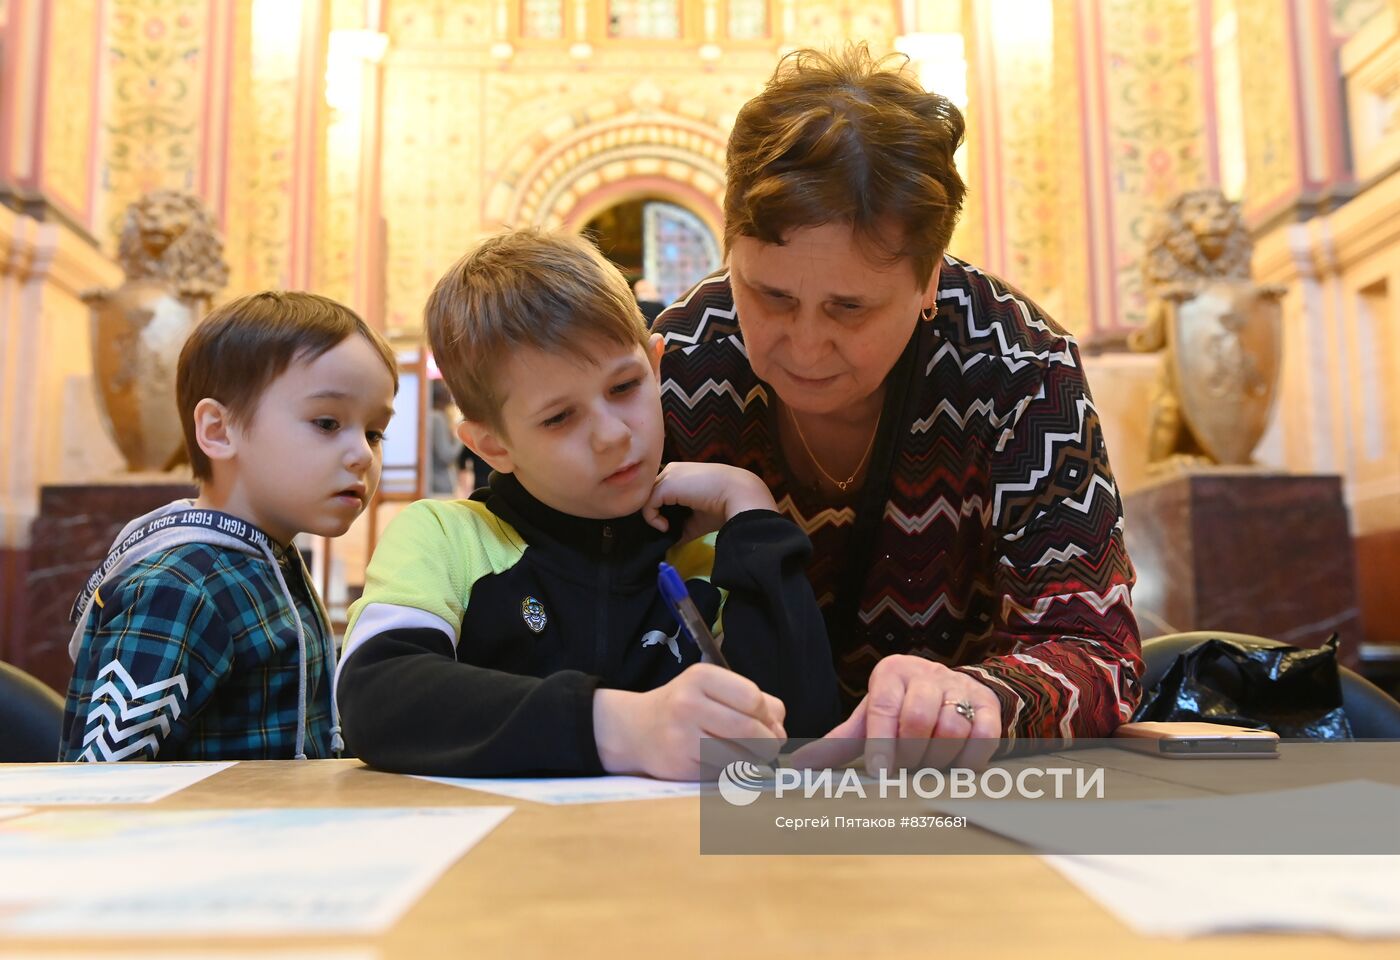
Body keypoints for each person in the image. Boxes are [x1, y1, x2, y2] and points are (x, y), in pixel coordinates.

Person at [655, 45, 1142, 772]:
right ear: (729, 253)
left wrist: (972, 699)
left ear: (928, 284)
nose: (805, 345)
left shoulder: (1019, 370)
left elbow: (1100, 653)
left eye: (849, 308)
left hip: (950, 797)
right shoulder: (681, 362)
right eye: (770, 296)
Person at [334, 229, 839, 779]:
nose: (611, 435)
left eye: (624, 387)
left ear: (655, 365)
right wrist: (623, 726)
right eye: (559, 418)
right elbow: (374, 695)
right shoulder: (445, 539)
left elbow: (801, 738)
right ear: (492, 445)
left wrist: (752, 514)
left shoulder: (712, 552)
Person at [60, 291, 398, 761]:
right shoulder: (180, 589)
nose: (363, 453)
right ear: (218, 430)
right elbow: (100, 790)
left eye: (374, 432)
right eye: (327, 422)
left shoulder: (268, 560)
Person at [427, 380, 458, 496]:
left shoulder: (432, 415)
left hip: (434, 483)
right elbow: (447, 455)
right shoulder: (437, 418)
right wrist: (460, 438)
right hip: (440, 485)